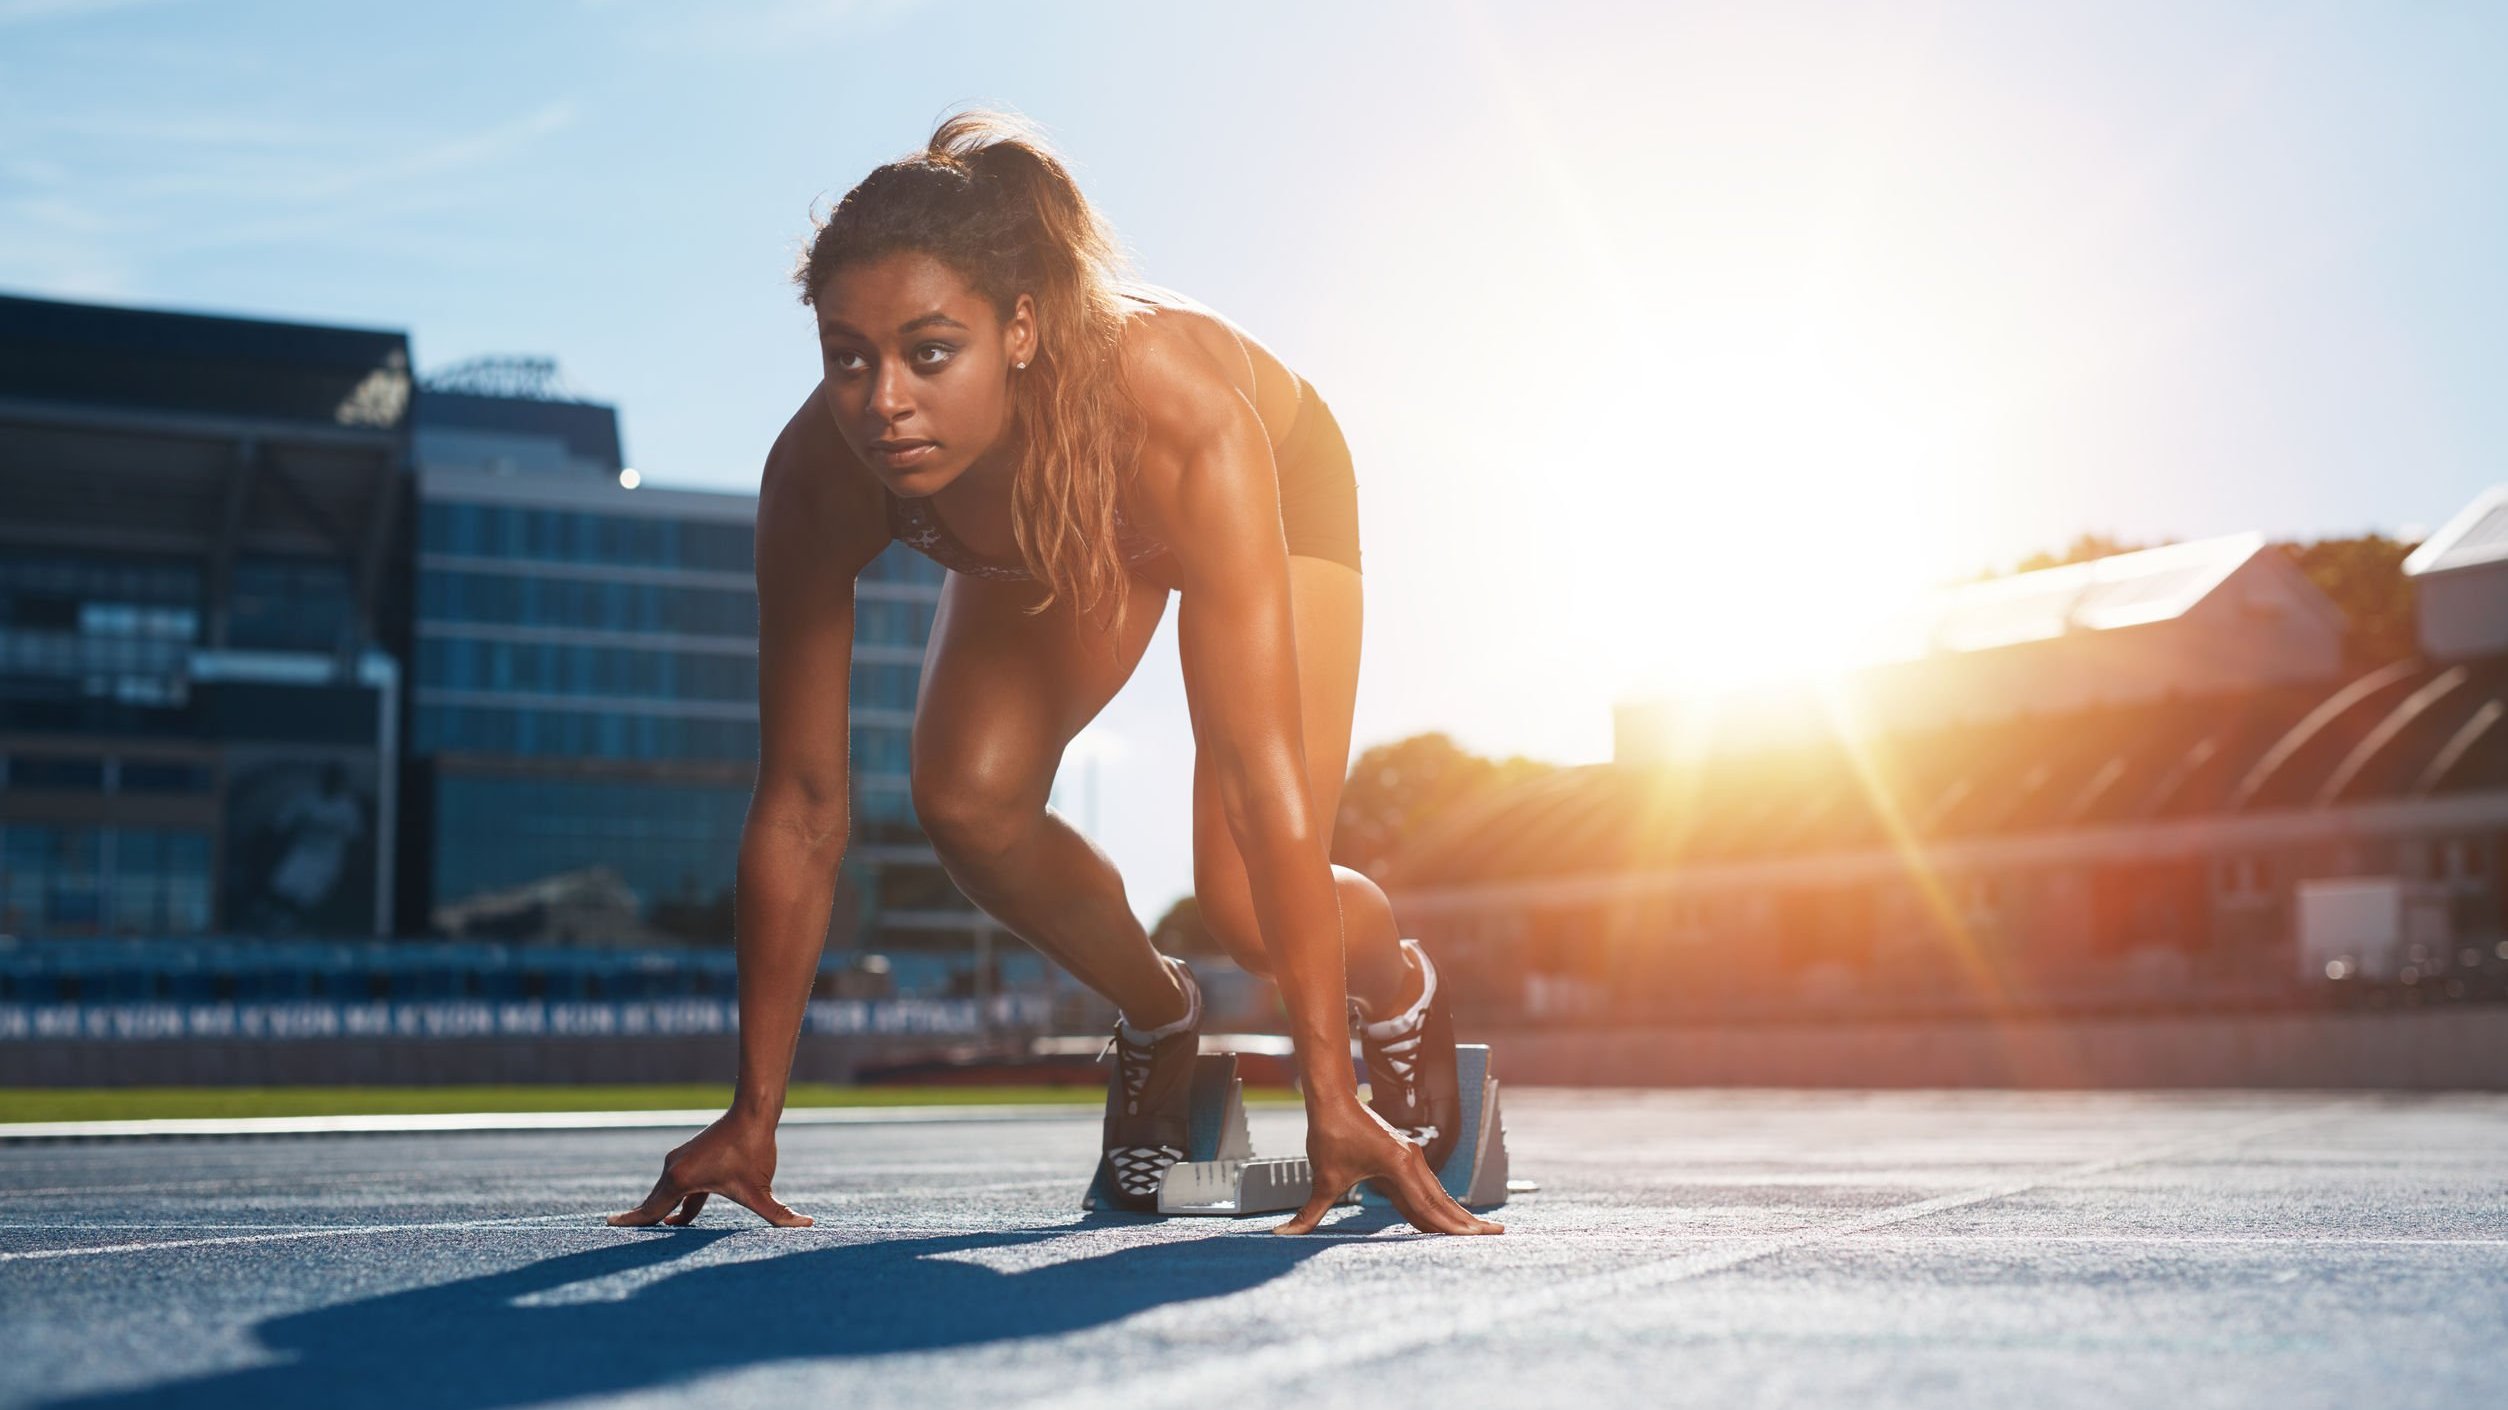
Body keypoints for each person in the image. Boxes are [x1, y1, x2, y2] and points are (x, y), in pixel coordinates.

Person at [610, 108, 1501, 1237]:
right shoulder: (819, 476)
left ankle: (1401, 993)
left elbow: (1255, 769)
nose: (884, 402)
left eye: (930, 353)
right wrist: (754, 1109)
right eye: (850, 357)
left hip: (1256, 478)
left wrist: (1327, 1096)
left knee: (1246, 906)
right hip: (1061, 521)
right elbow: (798, 802)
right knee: (967, 801)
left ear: (1020, 328)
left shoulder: (1173, 409)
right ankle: (1160, 1018)